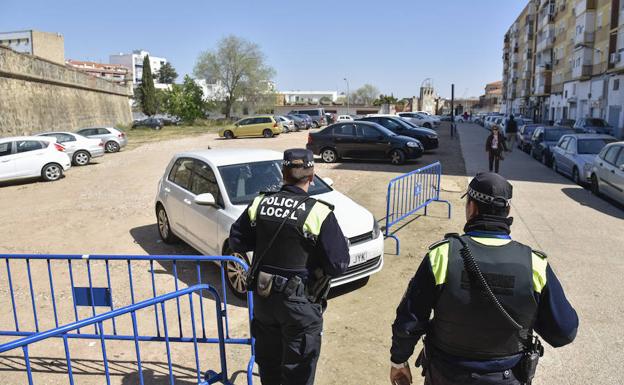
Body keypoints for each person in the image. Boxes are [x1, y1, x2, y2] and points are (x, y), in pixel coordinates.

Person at [389, 172, 578, 385]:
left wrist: (399, 361)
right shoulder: (535, 264)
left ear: (472, 208)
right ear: (507, 211)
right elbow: (564, 331)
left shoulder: (441, 256)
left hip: (446, 374)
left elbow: (410, 319)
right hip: (508, 377)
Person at [229, 148, 350, 385]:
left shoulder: (260, 203)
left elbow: (237, 239)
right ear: (312, 177)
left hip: (264, 300)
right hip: (299, 305)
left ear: (283, 174)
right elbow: (338, 265)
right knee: (298, 373)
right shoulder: (318, 211)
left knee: (270, 368)